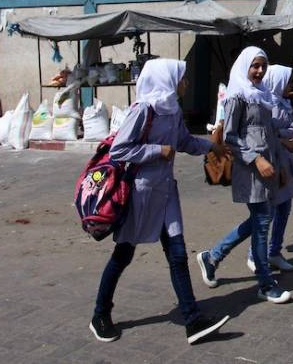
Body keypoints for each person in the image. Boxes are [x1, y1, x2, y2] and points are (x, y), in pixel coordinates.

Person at [90, 58, 231, 345]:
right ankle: (100, 315)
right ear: (167, 81)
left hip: (166, 192)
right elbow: (119, 150)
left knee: (177, 254)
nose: (186, 83)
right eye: (182, 78)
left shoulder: (173, 110)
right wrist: (157, 150)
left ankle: (192, 320)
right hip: (140, 194)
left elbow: (184, 142)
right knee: (123, 254)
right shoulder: (143, 110)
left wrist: (212, 146)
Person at [195, 47, 292, 304]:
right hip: (250, 170)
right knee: (262, 223)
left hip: (268, 168)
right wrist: (257, 159)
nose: (259, 71)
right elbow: (230, 138)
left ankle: (212, 257)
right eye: (254, 66)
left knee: (260, 220)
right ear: (244, 66)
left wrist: (279, 165)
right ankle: (265, 283)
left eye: (263, 66)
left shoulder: (262, 94)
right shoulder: (237, 96)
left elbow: (269, 134)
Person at [249, 64, 293, 274]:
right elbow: (264, 135)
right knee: (268, 211)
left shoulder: (283, 103)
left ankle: (274, 251)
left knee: (284, 208)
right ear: (278, 82)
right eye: (287, 82)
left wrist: (285, 138)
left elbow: (288, 129)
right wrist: (283, 139)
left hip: (284, 160)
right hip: (272, 161)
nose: (290, 86)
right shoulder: (266, 104)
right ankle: (254, 254)